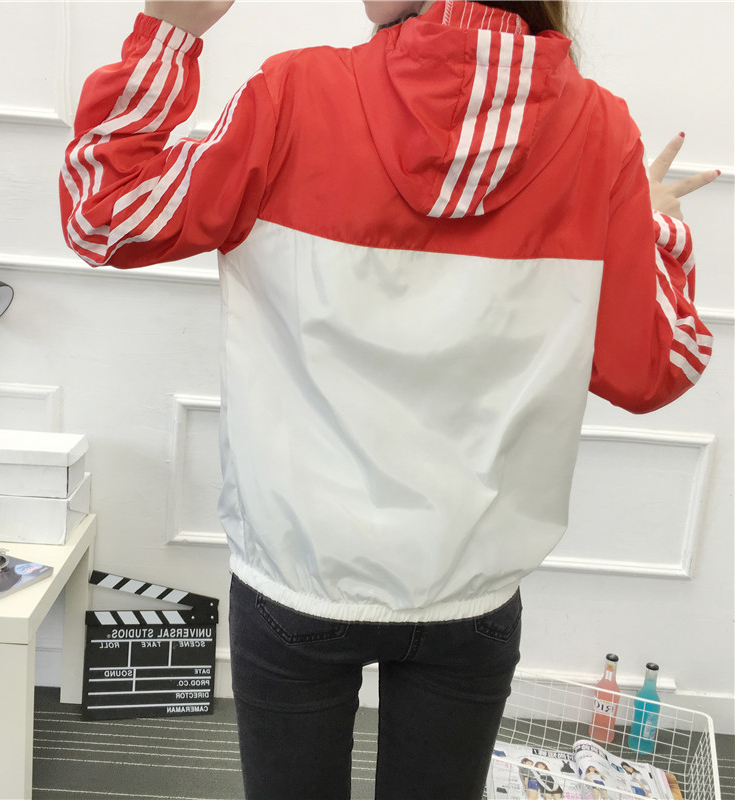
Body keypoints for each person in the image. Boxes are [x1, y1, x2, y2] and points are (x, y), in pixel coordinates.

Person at [59, 1, 717, 797]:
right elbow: (653, 370)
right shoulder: (600, 132)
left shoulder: (295, 95)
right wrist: (658, 230)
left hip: (297, 572)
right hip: (471, 587)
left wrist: (170, 33)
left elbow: (104, 215)